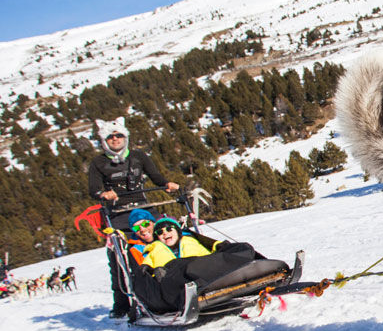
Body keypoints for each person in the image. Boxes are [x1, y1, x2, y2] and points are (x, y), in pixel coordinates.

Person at [86, 117, 179, 319]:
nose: (115, 139)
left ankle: (174, 282)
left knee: (167, 238)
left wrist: (167, 184)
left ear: (125, 137)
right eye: (111, 137)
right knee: (120, 256)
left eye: (119, 135)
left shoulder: (138, 156)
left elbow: (156, 177)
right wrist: (104, 195)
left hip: (143, 209)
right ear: (104, 140)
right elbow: (93, 190)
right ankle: (121, 302)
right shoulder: (98, 163)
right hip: (117, 214)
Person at [130, 218, 266, 314]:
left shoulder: (191, 241)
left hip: (201, 268)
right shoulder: (154, 249)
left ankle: (255, 267)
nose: (165, 233)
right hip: (177, 277)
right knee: (180, 267)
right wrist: (152, 271)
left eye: (169, 229)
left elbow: (211, 254)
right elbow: (146, 268)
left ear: (178, 231)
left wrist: (221, 247)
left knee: (241, 248)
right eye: (160, 233)